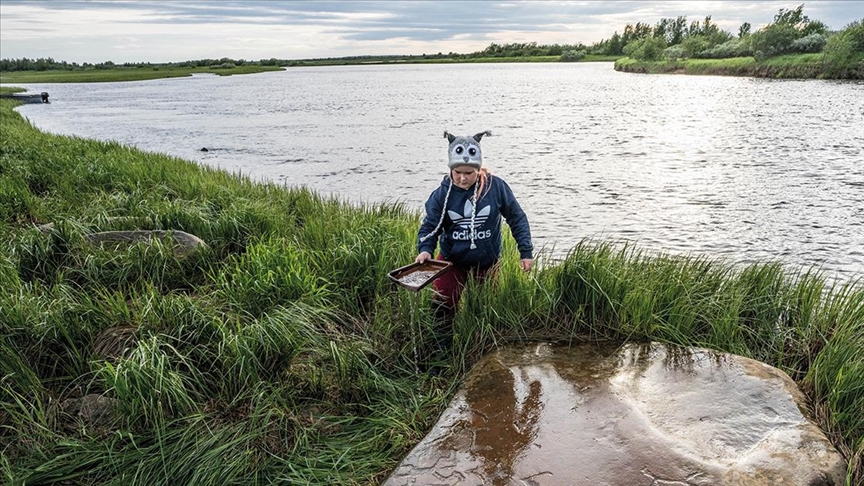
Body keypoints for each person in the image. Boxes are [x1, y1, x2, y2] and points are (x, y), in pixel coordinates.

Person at [415, 130, 534, 353]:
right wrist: (425, 250)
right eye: (457, 172)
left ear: (478, 169)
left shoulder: (495, 187)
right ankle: (442, 351)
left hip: (486, 263)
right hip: (451, 262)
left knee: (486, 310)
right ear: (451, 169)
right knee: (441, 306)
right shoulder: (441, 195)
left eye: (468, 172)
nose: (462, 178)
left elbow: (516, 217)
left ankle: (482, 350)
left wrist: (525, 251)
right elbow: (430, 226)